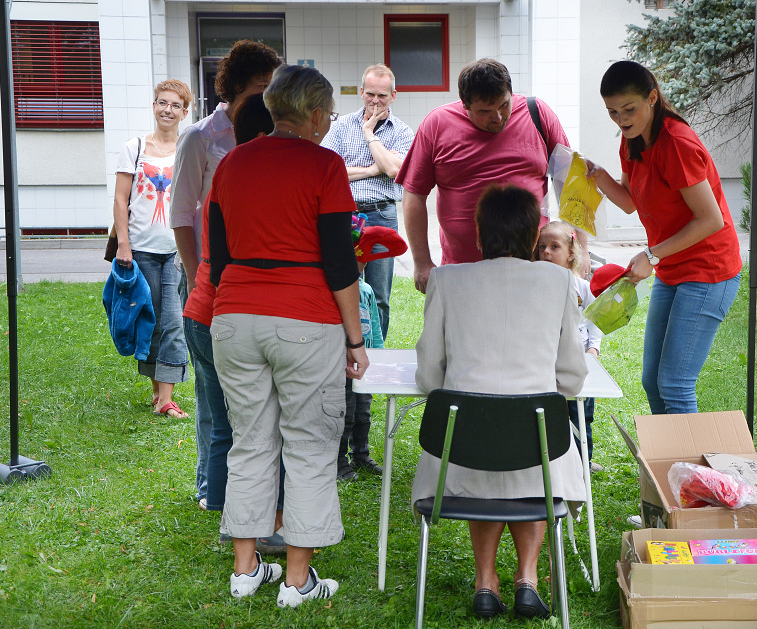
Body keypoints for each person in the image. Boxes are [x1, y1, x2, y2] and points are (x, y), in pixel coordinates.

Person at [207, 64, 369, 607]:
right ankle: (297, 581)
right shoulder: (326, 166)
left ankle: (245, 569)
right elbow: (339, 260)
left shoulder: (231, 163)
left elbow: (221, 254)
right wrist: (355, 338)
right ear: (318, 114)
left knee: (250, 442)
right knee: (309, 446)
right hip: (305, 319)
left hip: (233, 316)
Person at [412, 184, 587, 619]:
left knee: (483, 448)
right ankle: (527, 577)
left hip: (459, 456)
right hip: (540, 456)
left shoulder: (447, 280)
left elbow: (431, 374)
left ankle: (485, 580)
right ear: (533, 238)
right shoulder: (560, 280)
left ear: (478, 234)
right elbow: (572, 376)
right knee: (532, 461)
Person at [586, 60, 742, 415]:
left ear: (652, 98)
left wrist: (651, 255)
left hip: (709, 270)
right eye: (612, 112)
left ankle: (685, 470)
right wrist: (597, 176)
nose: (621, 119)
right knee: (652, 380)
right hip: (672, 267)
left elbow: (711, 219)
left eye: (629, 109)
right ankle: (666, 465)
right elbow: (630, 202)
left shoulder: (676, 144)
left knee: (674, 382)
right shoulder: (631, 141)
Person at [169, 40, 282, 510]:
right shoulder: (200, 138)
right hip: (207, 274)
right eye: (261, 88)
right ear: (236, 88)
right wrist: (199, 278)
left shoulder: (273, 134)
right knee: (212, 394)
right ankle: (208, 486)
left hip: (250, 281)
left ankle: (234, 487)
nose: (267, 98)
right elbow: (181, 216)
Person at [396, 58, 581, 293]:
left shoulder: (538, 113)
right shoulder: (437, 123)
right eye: (485, 111)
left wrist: (580, 249)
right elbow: (414, 193)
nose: (498, 117)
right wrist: (421, 262)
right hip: (462, 271)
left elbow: (570, 182)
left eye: (504, 105)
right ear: (465, 105)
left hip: (531, 267)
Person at [112, 79, 192, 418]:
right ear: (154, 105)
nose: (167, 110)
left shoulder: (189, 148)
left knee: (174, 321)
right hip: (140, 249)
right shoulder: (135, 147)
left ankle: (165, 398)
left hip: (178, 249)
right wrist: (124, 245)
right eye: (162, 103)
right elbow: (120, 198)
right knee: (150, 320)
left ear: (185, 112)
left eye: (175, 105)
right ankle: (159, 394)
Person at [321, 64, 414, 339]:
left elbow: (396, 170)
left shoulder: (402, 132)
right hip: (344, 216)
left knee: (380, 293)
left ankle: (377, 350)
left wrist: (370, 134)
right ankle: (348, 348)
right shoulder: (340, 127)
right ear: (361, 92)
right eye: (370, 93)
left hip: (382, 215)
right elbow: (329, 171)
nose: (375, 100)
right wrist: (374, 169)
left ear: (393, 96)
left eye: (382, 96)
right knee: (345, 287)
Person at [337, 225, 408, 482]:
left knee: (363, 412)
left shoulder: (366, 290)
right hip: (342, 367)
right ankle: (339, 461)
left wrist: (377, 356)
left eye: (362, 263)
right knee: (344, 412)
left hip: (364, 366)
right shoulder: (332, 292)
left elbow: (375, 328)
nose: (358, 268)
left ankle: (361, 454)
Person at [535, 221, 603, 471]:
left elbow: (595, 318)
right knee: (550, 411)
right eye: (542, 247)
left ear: (571, 253)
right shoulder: (535, 284)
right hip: (546, 358)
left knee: (582, 413)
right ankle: (551, 459)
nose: (546, 253)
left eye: (555, 246)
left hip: (578, 358)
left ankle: (582, 462)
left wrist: (593, 347)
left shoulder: (582, 286)